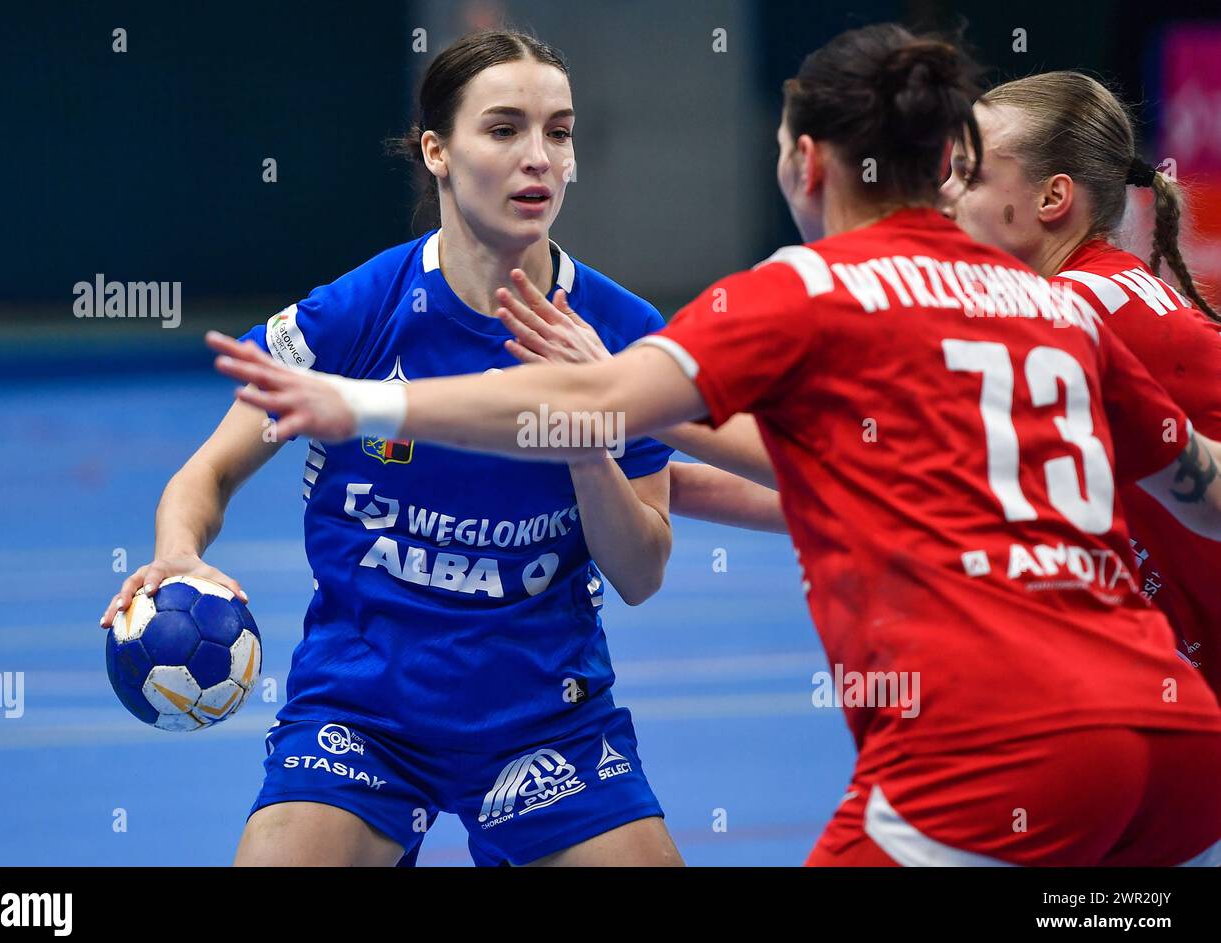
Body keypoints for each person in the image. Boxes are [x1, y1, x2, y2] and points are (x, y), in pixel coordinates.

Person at [209, 23, 1221, 866]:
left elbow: (595, 403)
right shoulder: (1043, 307)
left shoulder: (805, 286)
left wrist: (367, 408)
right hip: (1174, 732)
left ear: (802, 159)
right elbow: (1188, 484)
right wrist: (667, 472)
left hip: (995, 741)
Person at [102, 29, 684, 867]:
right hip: (361, 716)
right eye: (504, 128)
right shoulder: (358, 311)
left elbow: (640, 573)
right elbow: (210, 469)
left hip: (547, 721)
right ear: (437, 151)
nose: (540, 159)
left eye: (558, 132)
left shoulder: (626, 337)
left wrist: (588, 434)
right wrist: (178, 552)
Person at [940, 71, 1221, 694]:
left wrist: (677, 406)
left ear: (1051, 199)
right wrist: (673, 474)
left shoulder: (1067, 312)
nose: (944, 196)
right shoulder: (1082, 297)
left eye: (970, 175)